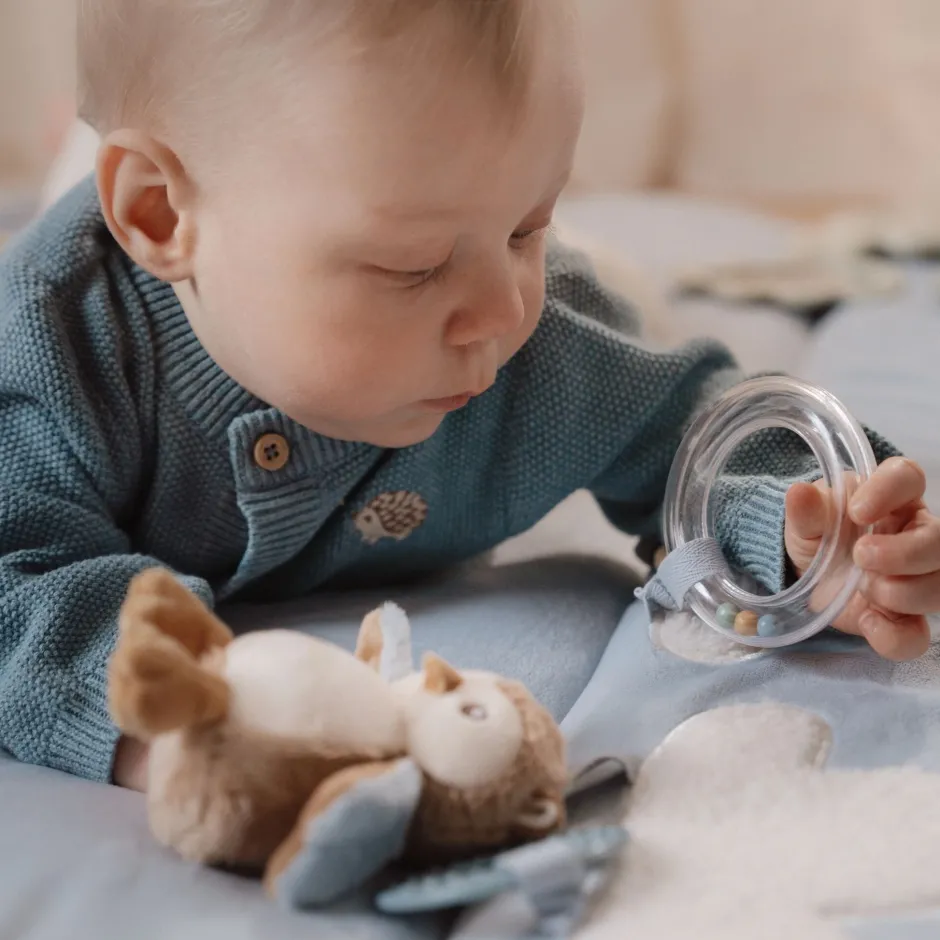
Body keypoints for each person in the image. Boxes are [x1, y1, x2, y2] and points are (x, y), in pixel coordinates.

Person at [2, 0, 938, 794]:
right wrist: (175, 724)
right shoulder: (57, 359)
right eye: (412, 265)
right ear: (162, 214)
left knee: (598, 294)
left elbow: (697, 441)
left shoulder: (544, 342)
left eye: (531, 225)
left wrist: (806, 542)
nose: (502, 312)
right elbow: (16, 579)